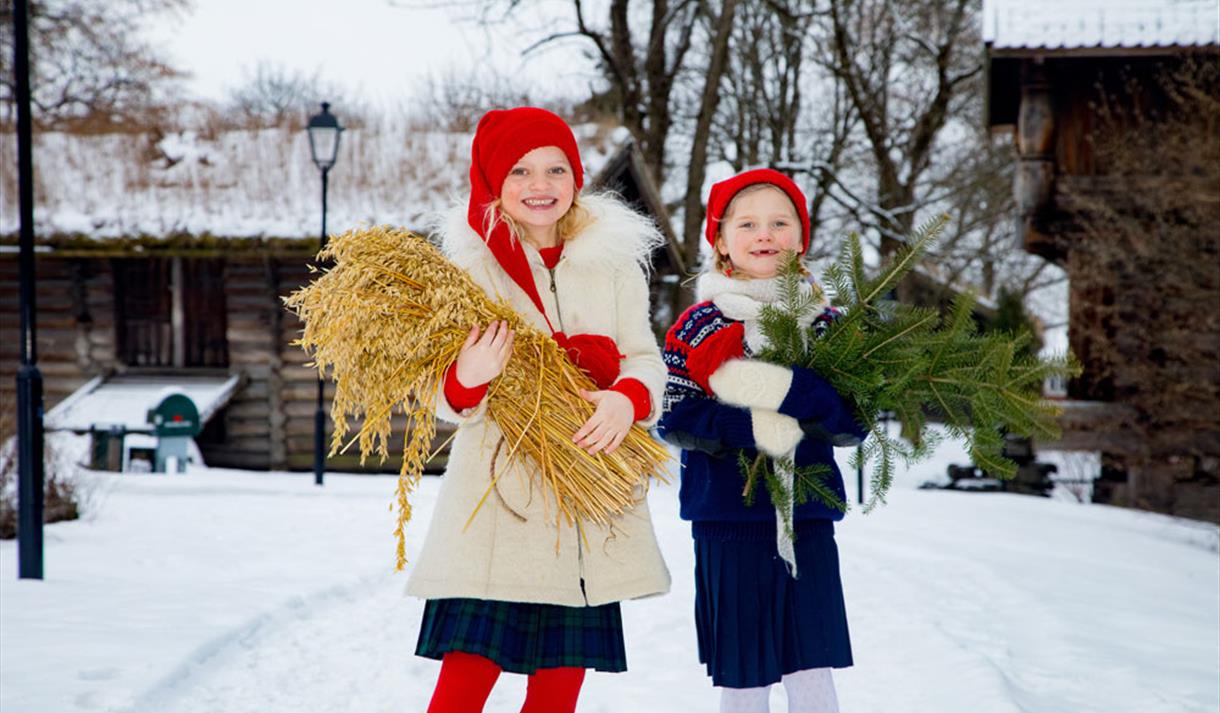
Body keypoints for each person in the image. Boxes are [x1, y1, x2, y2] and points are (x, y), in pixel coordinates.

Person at [406, 106, 670, 713]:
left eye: (556, 169)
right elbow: (437, 392)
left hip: (587, 494)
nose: (540, 185)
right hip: (500, 503)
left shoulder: (614, 262)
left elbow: (643, 358)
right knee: (463, 687)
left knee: (558, 692)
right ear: (493, 182)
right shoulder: (467, 270)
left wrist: (627, 400)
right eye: (520, 171)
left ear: (576, 178)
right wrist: (467, 378)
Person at [657, 168, 867, 713]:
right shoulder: (698, 325)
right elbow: (674, 416)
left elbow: (853, 421)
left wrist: (802, 395)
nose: (764, 234)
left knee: (811, 666)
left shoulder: (825, 325)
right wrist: (744, 427)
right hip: (727, 519)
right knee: (745, 672)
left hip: (808, 517)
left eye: (780, 222)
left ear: (801, 236)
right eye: (747, 223)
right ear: (721, 241)